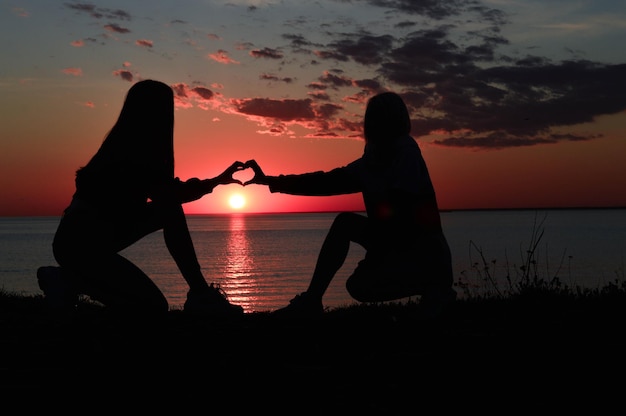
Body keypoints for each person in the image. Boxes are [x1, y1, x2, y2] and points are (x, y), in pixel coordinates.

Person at [38, 79, 244, 316]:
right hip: (81, 247)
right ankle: (68, 281)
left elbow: (166, 193)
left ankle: (199, 292)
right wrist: (212, 184)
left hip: (88, 243)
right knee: (152, 306)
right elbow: (166, 195)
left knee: (169, 210)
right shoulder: (133, 153)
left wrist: (215, 182)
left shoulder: (125, 147)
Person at [244, 92, 455, 318]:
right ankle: (312, 300)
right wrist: (271, 181)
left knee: (354, 250)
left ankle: (436, 289)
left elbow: (401, 212)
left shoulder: (406, 155)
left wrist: (379, 252)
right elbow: (326, 182)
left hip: (421, 252)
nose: (371, 125)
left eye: (376, 119)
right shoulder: (372, 161)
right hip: (396, 244)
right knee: (358, 284)